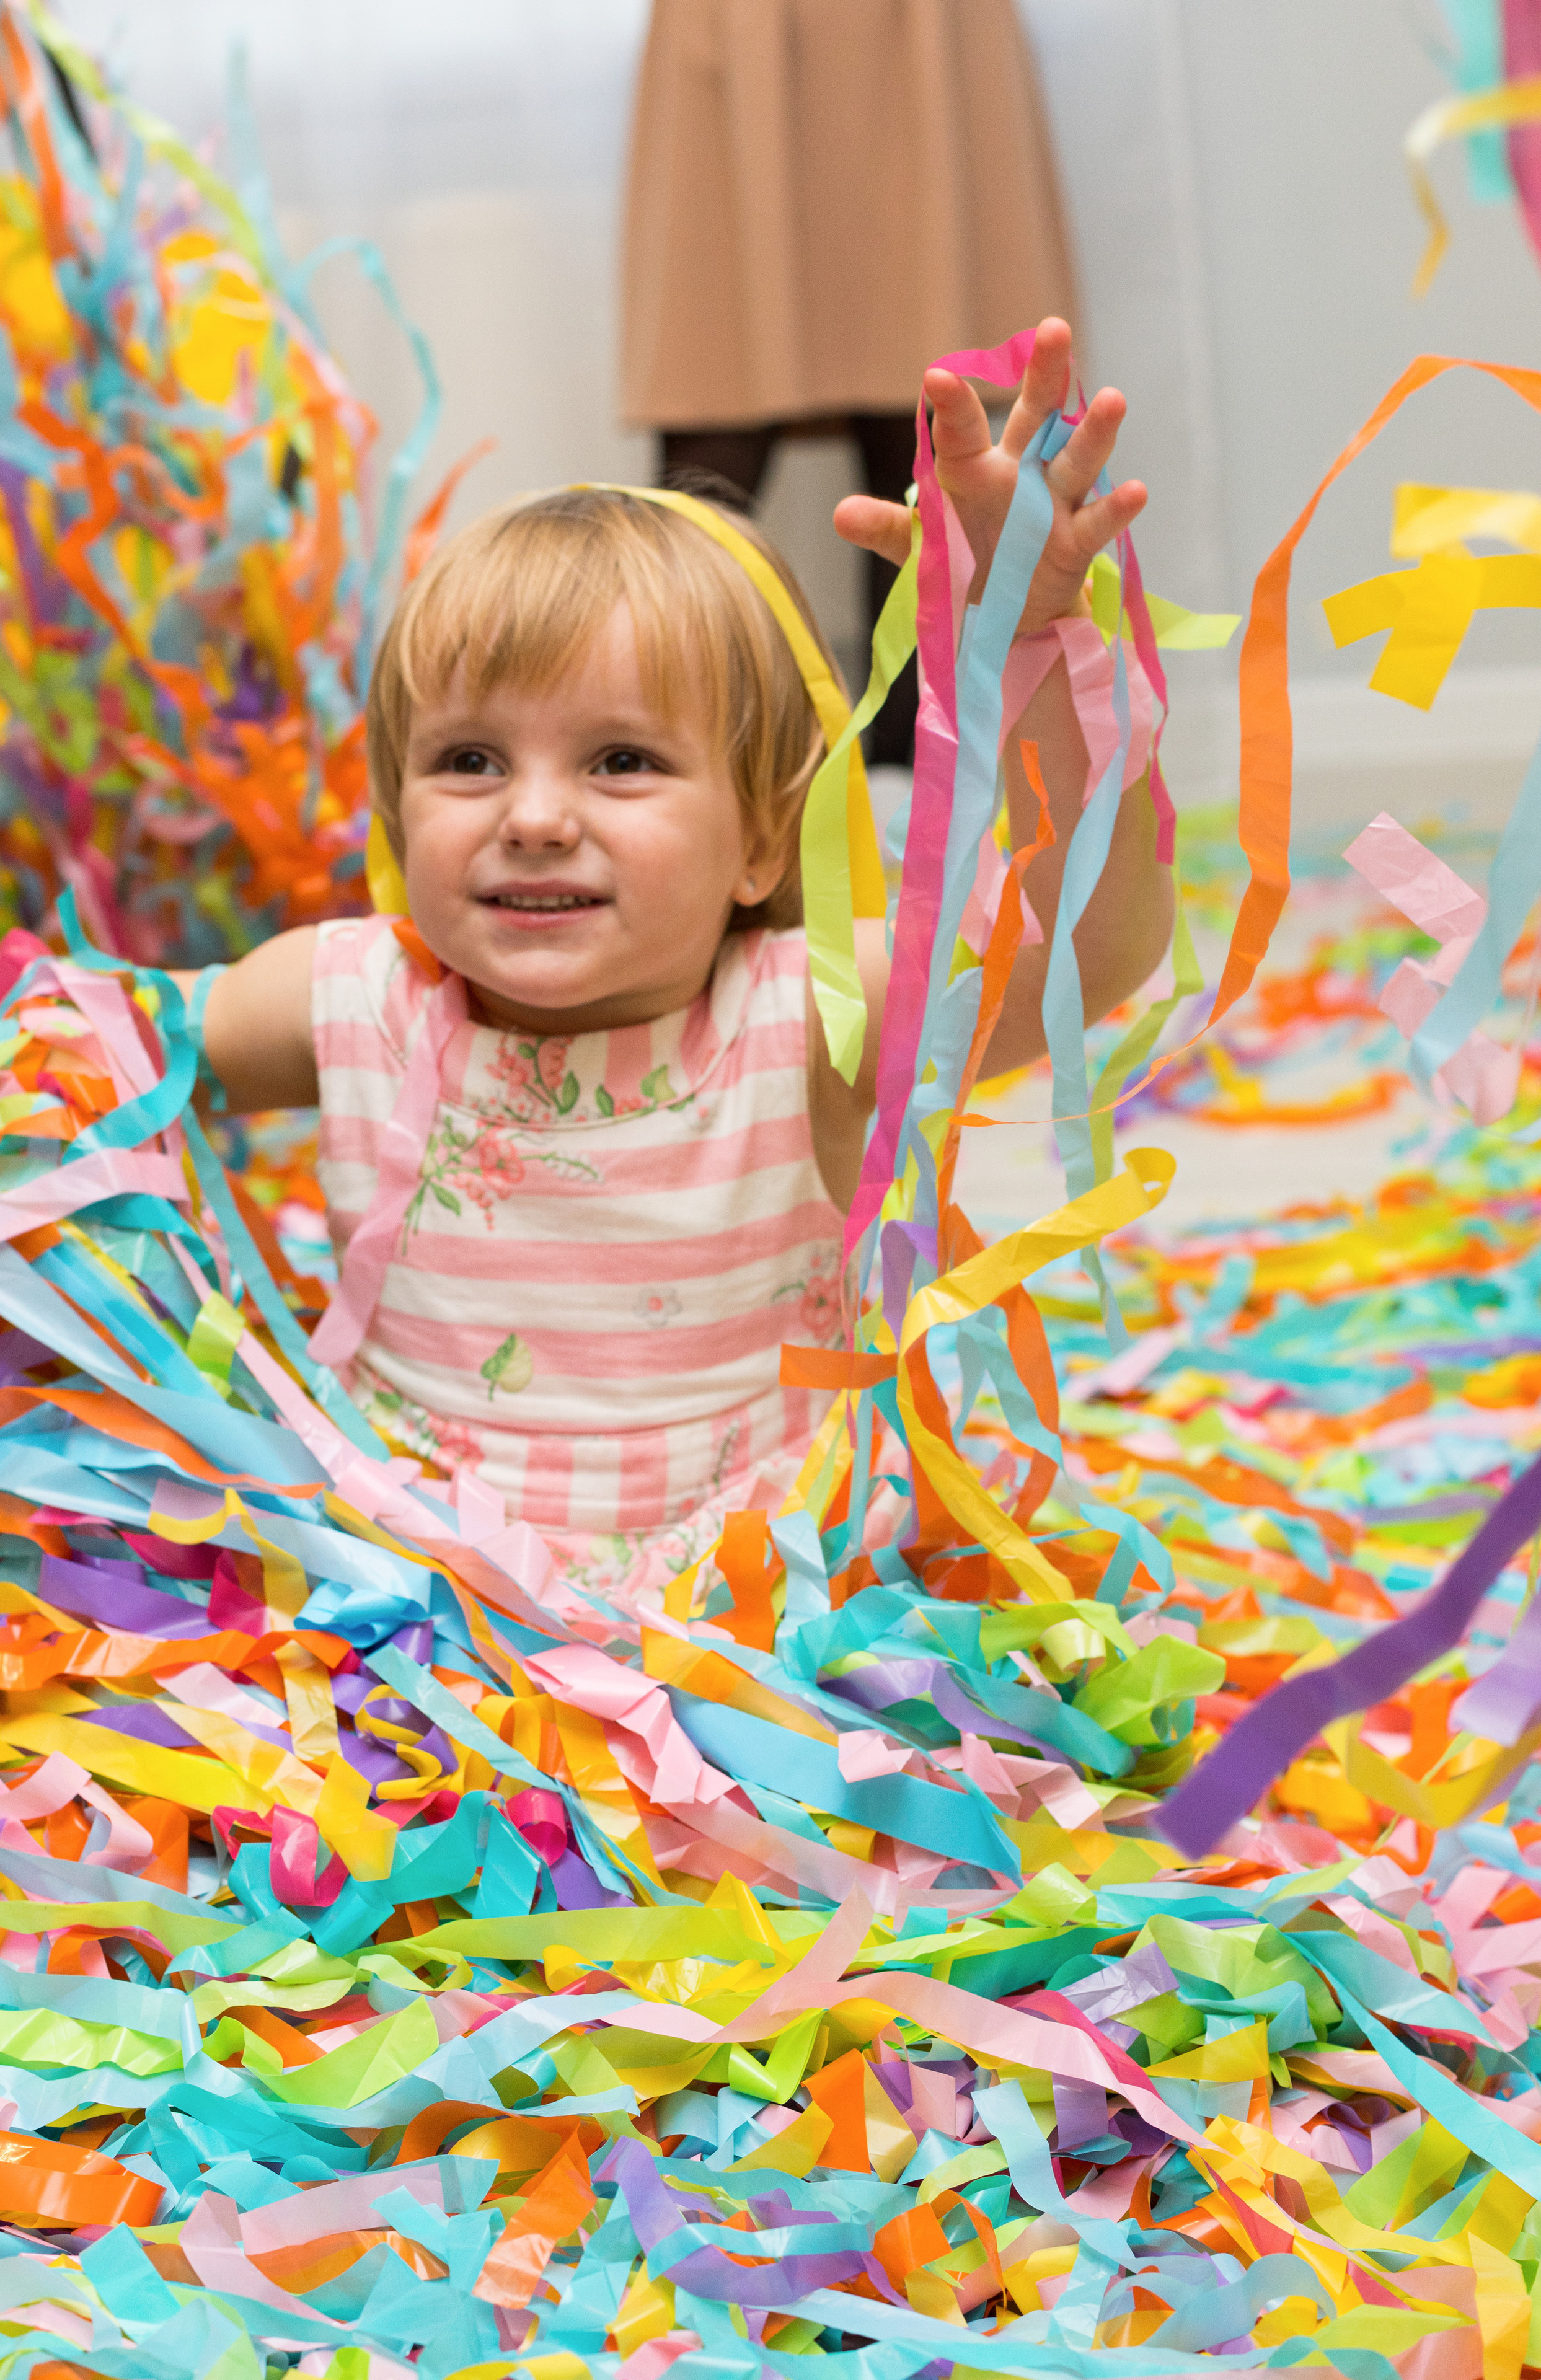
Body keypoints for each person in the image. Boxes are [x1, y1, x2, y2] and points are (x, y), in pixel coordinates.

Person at [182, 322, 1172, 1612]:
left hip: (739, 1636)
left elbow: (1089, 954)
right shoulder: (349, 997)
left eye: (621, 762)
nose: (531, 816)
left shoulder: (807, 1013)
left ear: (763, 836)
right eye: (469, 762)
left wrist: (1026, 645)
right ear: (393, 813)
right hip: (409, 1614)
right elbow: (94, 1058)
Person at [622, 0, 1078, 769]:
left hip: (924, 32)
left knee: (926, 402)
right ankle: (638, 747)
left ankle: (912, 783)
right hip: (739, 30)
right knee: (713, 387)